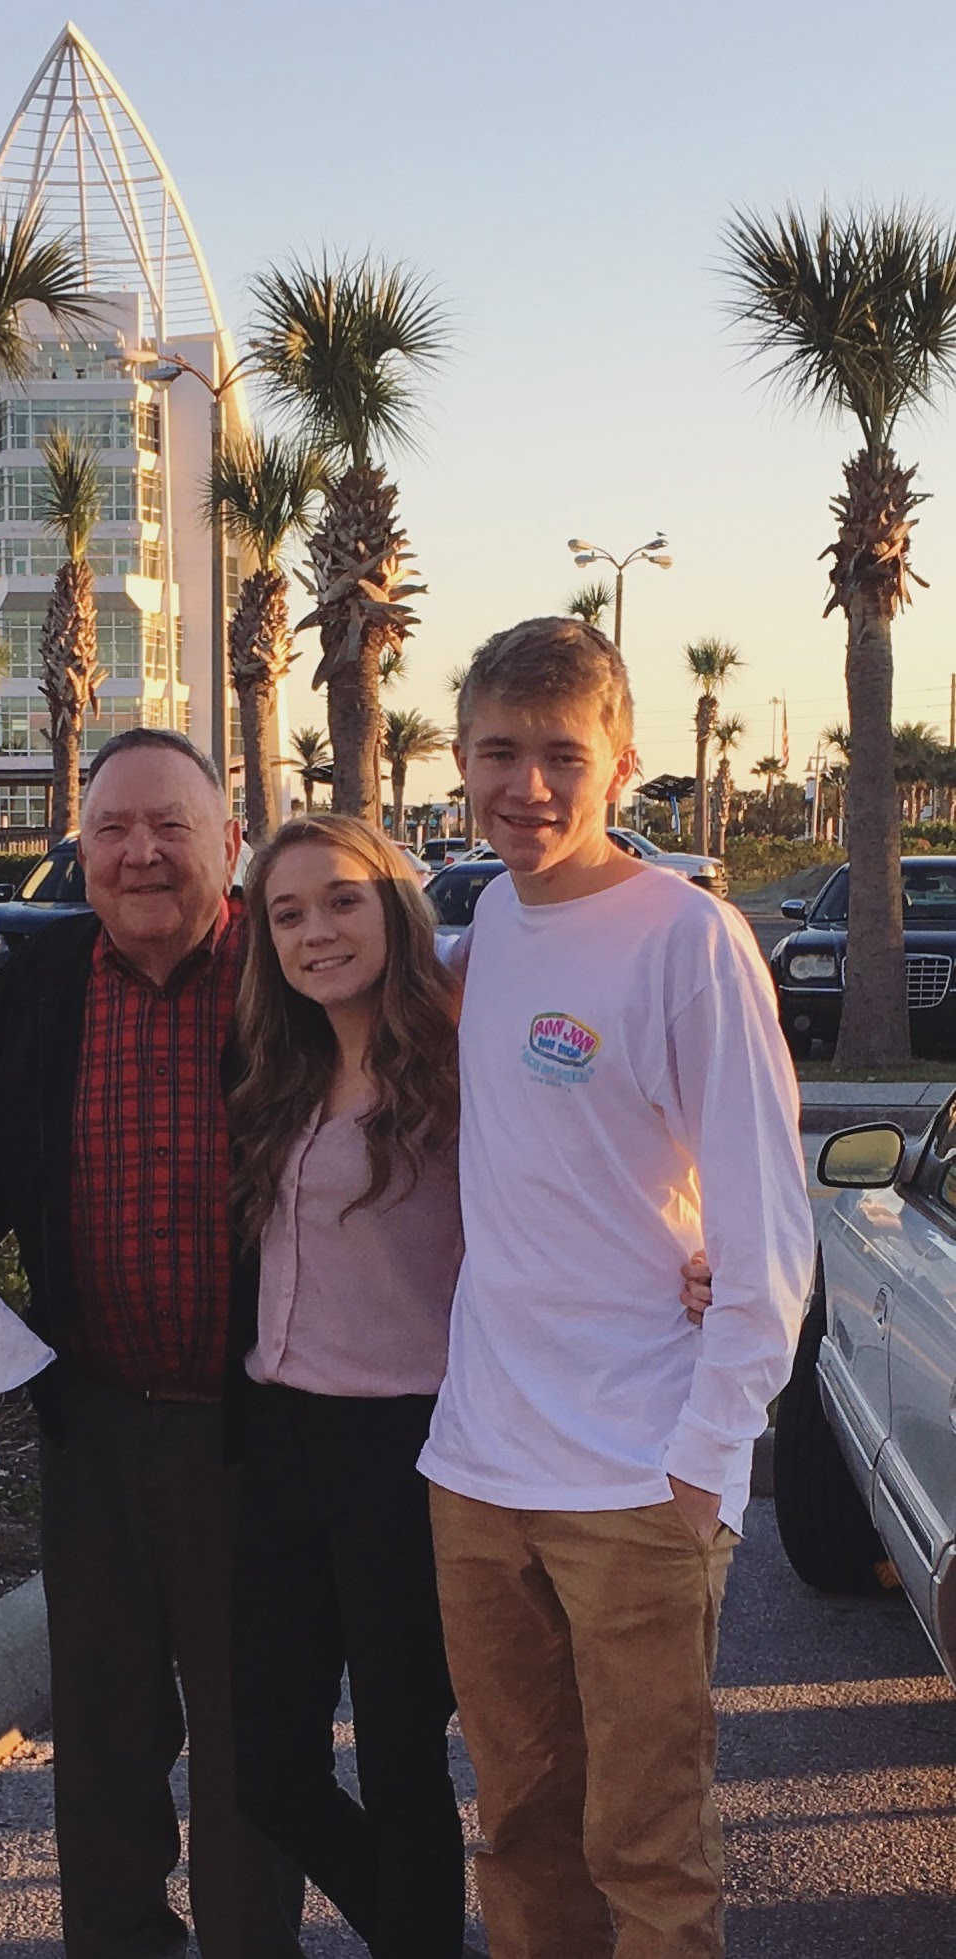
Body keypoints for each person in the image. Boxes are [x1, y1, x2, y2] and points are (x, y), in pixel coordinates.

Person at [417, 618, 810, 1959]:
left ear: (622, 764)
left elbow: (766, 1227)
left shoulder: (687, 940)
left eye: (560, 755)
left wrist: (705, 1457)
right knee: (520, 1828)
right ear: (458, 756)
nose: (524, 786)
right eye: (496, 752)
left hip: (638, 1476)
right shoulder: (482, 932)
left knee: (646, 1847)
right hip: (477, 1470)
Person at [0, 727, 302, 1959]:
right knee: (102, 1740)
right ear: (81, 852)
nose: (141, 854)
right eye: (113, 831)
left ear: (230, 845)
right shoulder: (41, 990)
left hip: (258, 1439)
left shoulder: (294, 980)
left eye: (170, 827)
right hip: (93, 1431)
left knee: (252, 1747)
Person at [226, 814, 469, 1959]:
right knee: (268, 1767)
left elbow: (590, 1163)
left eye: (341, 901)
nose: (315, 931)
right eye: (287, 915)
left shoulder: (458, 1069)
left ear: (394, 908)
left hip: (404, 1452)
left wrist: (691, 1246)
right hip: (279, 1444)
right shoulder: (282, 1072)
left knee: (402, 1760)